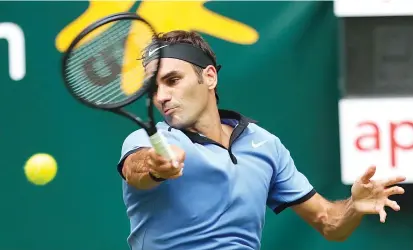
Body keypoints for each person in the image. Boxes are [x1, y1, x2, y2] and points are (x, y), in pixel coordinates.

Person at [117, 30, 406, 250]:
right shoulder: (147, 139)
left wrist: (354, 206)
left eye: (172, 80)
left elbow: (329, 223)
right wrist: (156, 167)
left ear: (209, 77)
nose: (161, 96)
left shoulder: (264, 144)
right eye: (154, 88)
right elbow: (136, 169)